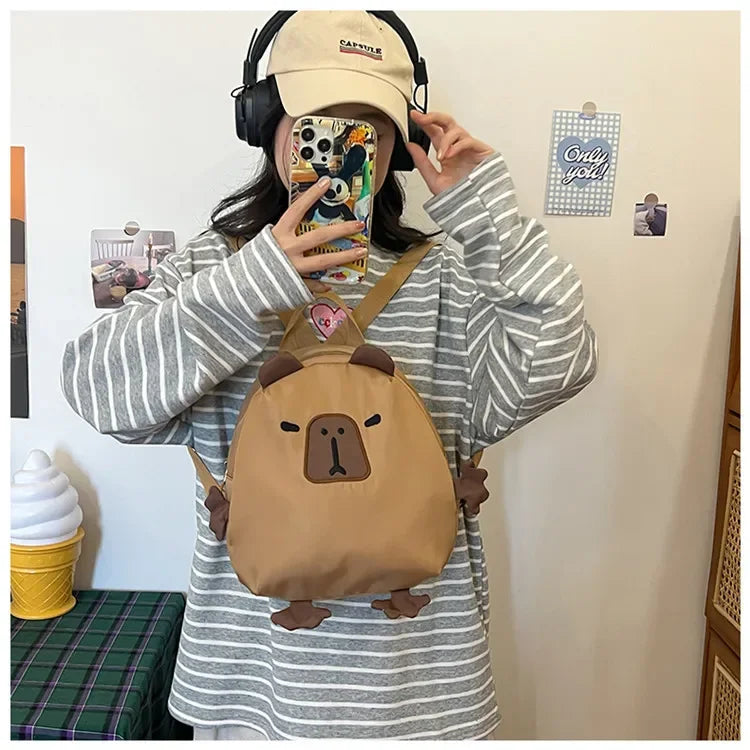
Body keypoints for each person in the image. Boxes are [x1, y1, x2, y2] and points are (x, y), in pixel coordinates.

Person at [61, 11, 598, 741]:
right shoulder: (216, 270)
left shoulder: (445, 277)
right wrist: (251, 283)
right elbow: (99, 392)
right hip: (251, 688)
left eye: (369, 128)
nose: (346, 146)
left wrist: (486, 214)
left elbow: (561, 360)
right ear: (267, 124)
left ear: (397, 146)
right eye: (320, 121)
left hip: (421, 693)